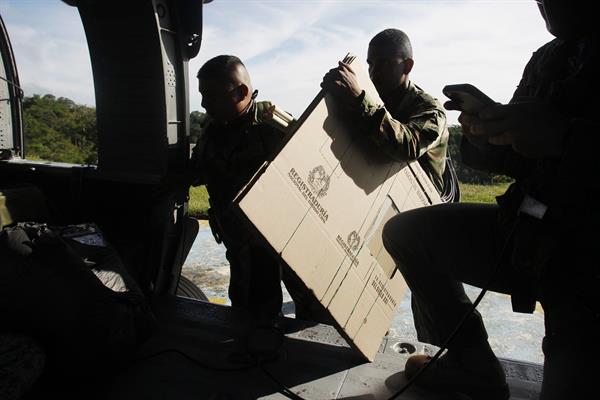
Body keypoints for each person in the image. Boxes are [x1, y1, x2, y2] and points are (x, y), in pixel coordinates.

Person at [381, 1, 599, 399]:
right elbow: (517, 158)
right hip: (530, 234)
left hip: (589, 265)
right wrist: (487, 132)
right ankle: (471, 365)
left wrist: (566, 139)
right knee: (407, 234)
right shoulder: (551, 60)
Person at [189, 55, 292, 322]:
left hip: (267, 241)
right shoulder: (213, 128)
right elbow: (200, 169)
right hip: (234, 236)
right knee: (241, 300)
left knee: (264, 309)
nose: (203, 103)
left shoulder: (274, 128)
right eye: (202, 94)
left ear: (242, 92)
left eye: (211, 95)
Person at [321, 28, 450, 194]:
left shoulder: (431, 110)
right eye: (371, 64)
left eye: (385, 63)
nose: (374, 71)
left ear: (407, 66)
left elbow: (409, 146)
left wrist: (359, 100)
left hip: (419, 207)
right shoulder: (376, 98)